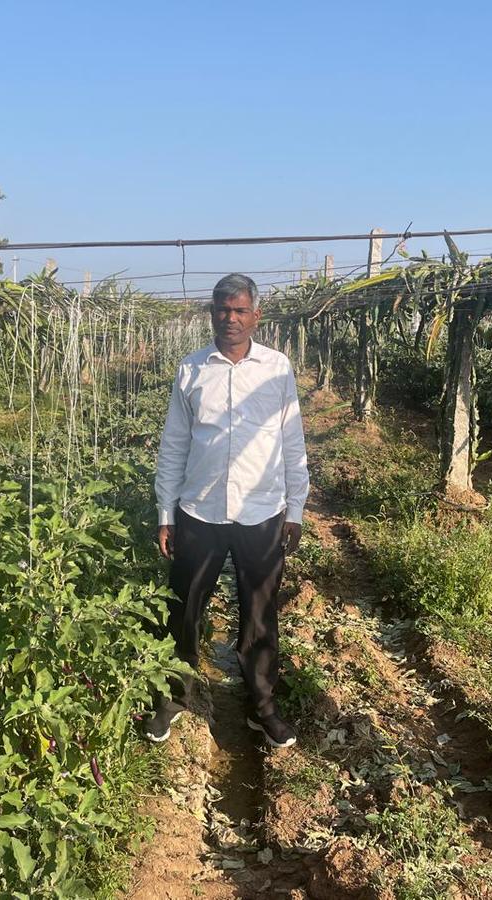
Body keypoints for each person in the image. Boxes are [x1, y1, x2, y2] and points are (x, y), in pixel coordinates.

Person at [148, 273, 310, 748]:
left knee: (260, 615)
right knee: (183, 610)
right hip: (199, 510)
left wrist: (295, 508)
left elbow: (292, 441)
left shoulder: (277, 369)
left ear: (256, 316)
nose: (230, 318)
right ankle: (173, 698)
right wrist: (166, 512)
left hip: (262, 512)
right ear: (211, 314)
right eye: (222, 310)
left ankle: (263, 708)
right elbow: (174, 444)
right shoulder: (193, 370)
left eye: (240, 310)